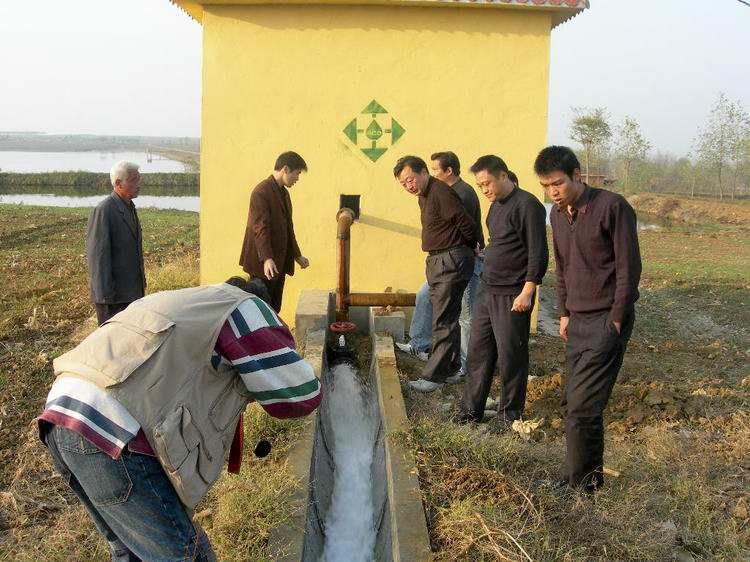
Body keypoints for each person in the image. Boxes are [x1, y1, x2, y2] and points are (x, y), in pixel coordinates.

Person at [38, 278, 321, 560]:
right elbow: (301, 395)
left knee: (129, 551)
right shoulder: (243, 306)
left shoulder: (186, 301)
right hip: (111, 431)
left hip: (61, 417)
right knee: (187, 554)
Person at [535, 145, 641, 493]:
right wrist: (564, 312)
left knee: (584, 407)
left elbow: (629, 269)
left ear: (576, 176)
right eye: (545, 186)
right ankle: (579, 475)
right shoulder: (556, 215)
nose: (552, 192)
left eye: (558, 183)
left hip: (605, 319)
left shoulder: (612, 207)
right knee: (572, 403)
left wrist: (617, 319)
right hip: (576, 320)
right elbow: (562, 266)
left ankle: (583, 486)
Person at [455, 155, 548, 430]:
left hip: (513, 293)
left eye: (487, 183)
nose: (484, 190)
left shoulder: (528, 205)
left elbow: (538, 252)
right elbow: (500, 241)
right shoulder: (495, 207)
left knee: (511, 356)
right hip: (488, 289)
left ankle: (509, 415)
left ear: (503, 176)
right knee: (478, 353)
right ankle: (470, 410)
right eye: (480, 186)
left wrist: (528, 290)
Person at [396, 152, 485, 380]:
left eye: (410, 179)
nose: (408, 186)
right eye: (403, 183)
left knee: (453, 319)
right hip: (440, 260)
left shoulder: (447, 192)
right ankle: (441, 359)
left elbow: (465, 223)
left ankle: (444, 373)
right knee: (438, 312)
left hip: (454, 259)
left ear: (424, 173)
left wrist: (472, 246)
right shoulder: (426, 194)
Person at [239, 151, 310, 312]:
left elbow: (288, 228)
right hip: (262, 265)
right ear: (286, 169)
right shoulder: (261, 192)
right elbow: (260, 227)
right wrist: (267, 258)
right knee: (260, 310)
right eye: (297, 173)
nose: (297, 178)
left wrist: (297, 256)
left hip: (278, 263)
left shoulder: (284, 193)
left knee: (275, 308)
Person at [86, 160, 146, 325]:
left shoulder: (129, 207)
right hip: (113, 299)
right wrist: (105, 297)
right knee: (112, 338)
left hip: (132, 294)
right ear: (118, 184)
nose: (138, 184)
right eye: (133, 180)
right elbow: (97, 257)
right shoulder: (104, 210)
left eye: (139, 179)